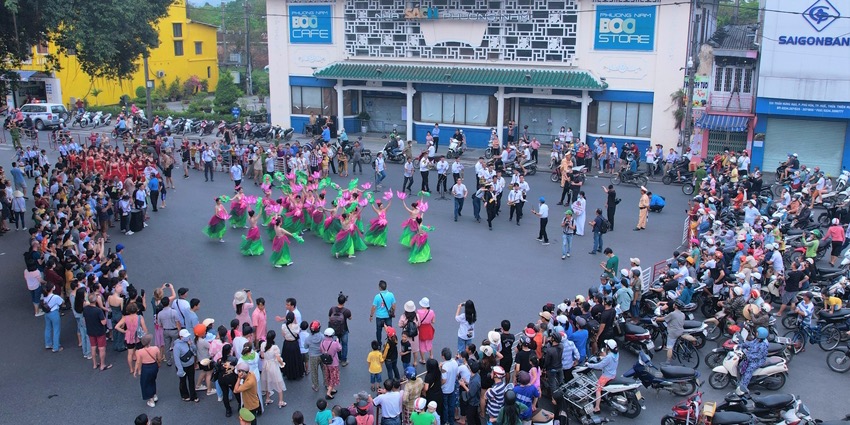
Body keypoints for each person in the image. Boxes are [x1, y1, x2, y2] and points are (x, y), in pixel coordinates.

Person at [586, 339, 619, 413]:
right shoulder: (616, 354)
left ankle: (597, 407)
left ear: (608, 347)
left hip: (606, 376)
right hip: (613, 374)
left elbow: (599, 366)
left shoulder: (609, 357)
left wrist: (589, 365)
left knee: (598, 389)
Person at [737, 327, 769, 394]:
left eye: (757, 332)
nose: (756, 333)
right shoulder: (757, 339)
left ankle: (743, 387)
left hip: (757, 361)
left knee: (748, 371)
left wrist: (748, 356)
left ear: (761, 335)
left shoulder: (763, 345)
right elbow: (750, 343)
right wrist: (741, 345)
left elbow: (759, 356)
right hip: (750, 355)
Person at [83, 293, 111, 370]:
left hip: (90, 331)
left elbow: (84, 321)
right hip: (99, 331)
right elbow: (103, 322)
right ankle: (102, 365)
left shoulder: (85, 309)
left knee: (93, 347)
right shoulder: (98, 311)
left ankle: (95, 364)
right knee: (101, 348)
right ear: (95, 300)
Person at [260, 330, 287, 408]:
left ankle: (267, 399)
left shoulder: (263, 344)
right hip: (273, 366)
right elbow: (278, 358)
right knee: (278, 383)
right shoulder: (275, 347)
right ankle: (281, 401)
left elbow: (262, 356)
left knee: (267, 381)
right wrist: (282, 364)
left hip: (265, 365)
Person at [134, 334, 162, 407]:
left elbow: (138, 362)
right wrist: (159, 364)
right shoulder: (155, 348)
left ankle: (151, 399)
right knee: (152, 380)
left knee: (145, 383)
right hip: (154, 366)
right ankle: (154, 394)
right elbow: (159, 358)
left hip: (145, 367)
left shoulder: (139, 352)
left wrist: (135, 371)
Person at [174, 328, 199, 402]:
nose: (187, 337)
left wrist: (191, 344)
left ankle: (193, 395)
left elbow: (195, 349)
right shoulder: (177, 346)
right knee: (183, 381)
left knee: (191, 380)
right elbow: (176, 359)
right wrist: (180, 369)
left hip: (190, 364)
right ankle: (184, 395)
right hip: (182, 366)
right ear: (181, 337)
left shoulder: (188, 342)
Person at [321, 328, 343, 400]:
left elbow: (321, 350)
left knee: (328, 375)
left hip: (326, 362)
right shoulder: (334, 343)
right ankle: (329, 392)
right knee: (333, 377)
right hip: (334, 362)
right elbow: (340, 348)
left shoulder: (322, 343)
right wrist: (337, 342)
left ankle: (331, 388)